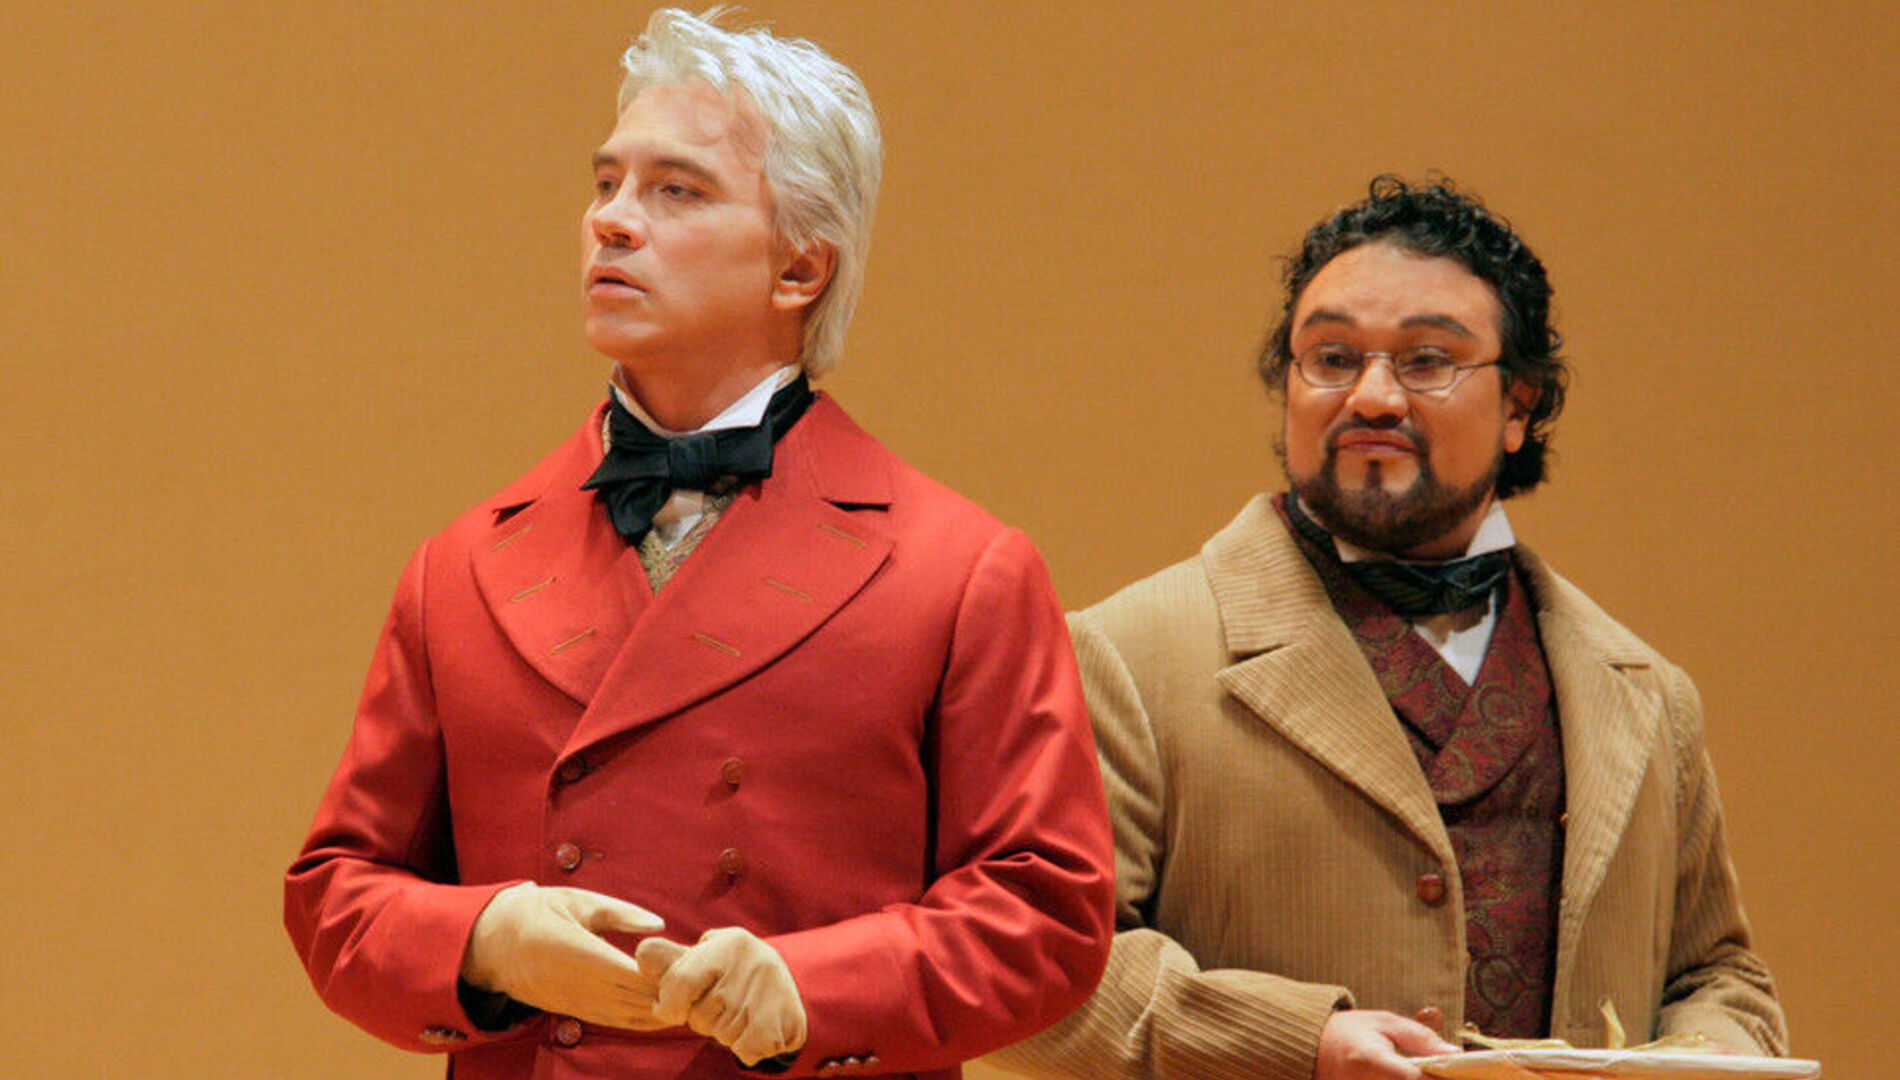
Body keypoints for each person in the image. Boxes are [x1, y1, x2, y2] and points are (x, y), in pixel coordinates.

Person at [284, 11, 1113, 1080]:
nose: (612, 220)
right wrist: (484, 941)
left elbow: (1046, 912)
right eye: (606, 183)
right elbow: (337, 894)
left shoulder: (959, 570)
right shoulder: (461, 566)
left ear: (799, 268)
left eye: (677, 191)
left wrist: (813, 987)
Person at [986, 177, 1786, 1080]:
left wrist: (1718, 1052)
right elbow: (1038, 969)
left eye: (1427, 360)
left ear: (1519, 406)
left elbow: (1719, 975)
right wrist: (1300, 1044)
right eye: (1331, 357)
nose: (1371, 396)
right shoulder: (1130, 657)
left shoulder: (1644, 692)